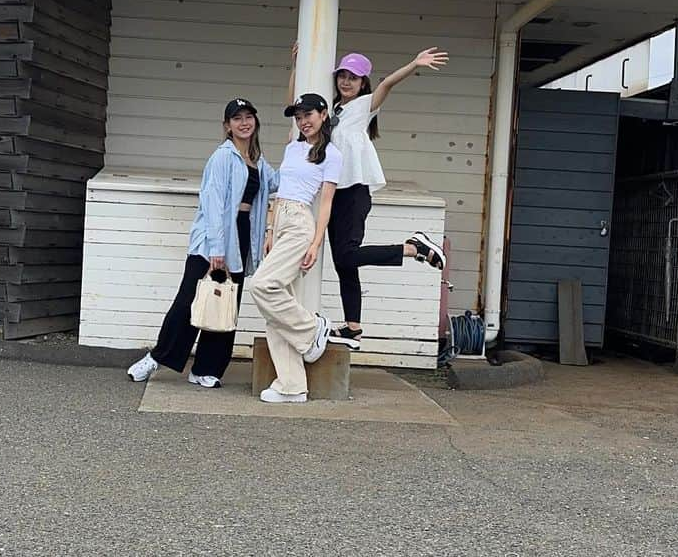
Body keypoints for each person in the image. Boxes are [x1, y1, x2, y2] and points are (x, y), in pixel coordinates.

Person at [289, 46, 449, 352]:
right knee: (344, 265)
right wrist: (298, 65)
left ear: (364, 83)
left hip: (355, 191)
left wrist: (414, 63)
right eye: (343, 76)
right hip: (331, 193)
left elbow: (388, 83)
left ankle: (413, 247)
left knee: (348, 256)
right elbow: (295, 104)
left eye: (355, 78)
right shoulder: (329, 111)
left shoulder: (364, 106)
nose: (347, 82)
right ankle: (353, 329)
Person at [126, 98, 275, 388]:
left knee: (225, 302)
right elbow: (213, 204)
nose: (244, 123)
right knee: (188, 302)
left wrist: (306, 155)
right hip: (213, 241)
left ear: (255, 122)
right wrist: (217, 248)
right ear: (227, 126)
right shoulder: (222, 157)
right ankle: (157, 357)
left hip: (242, 237)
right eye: (237, 118)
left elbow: (277, 182)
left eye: (248, 117)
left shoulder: (258, 161)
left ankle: (207, 368)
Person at [247, 92, 341, 404]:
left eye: (309, 115)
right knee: (275, 312)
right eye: (299, 116)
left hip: (301, 222)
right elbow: (281, 191)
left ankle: (312, 329)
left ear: (323, 114)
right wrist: (270, 230)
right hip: (281, 220)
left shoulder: (331, 155)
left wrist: (316, 243)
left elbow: (325, 204)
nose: (303, 121)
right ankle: (292, 385)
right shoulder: (292, 147)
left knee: (262, 285)